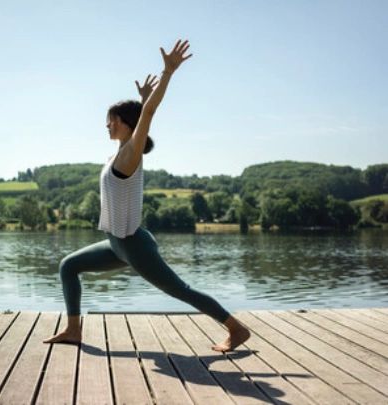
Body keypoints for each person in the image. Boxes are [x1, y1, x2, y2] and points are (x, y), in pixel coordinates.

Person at [43, 39, 250, 352]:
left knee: (180, 290)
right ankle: (74, 330)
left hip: (134, 246)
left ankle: (236, 329)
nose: (107, 124)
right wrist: (140, 103)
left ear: (127, 125)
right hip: (117, 243)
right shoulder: (119, 154)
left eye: (112, 119)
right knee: (68, 266)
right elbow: (143, 113)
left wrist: (167, 74)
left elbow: (150, 113)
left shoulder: (130, 156)